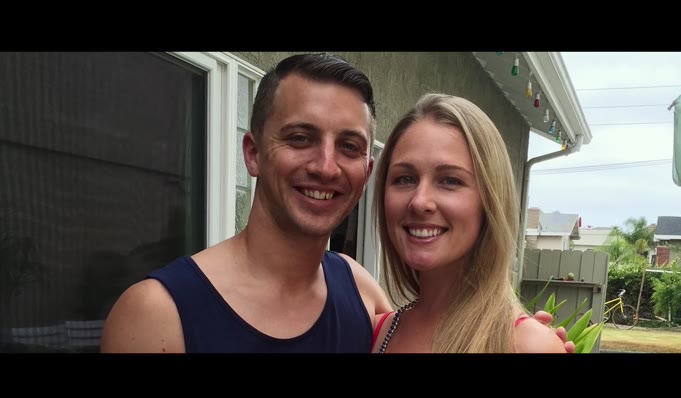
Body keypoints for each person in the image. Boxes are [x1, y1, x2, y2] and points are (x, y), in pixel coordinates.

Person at [101, 53, 569, 353]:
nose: (326, 167)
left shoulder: (359, 294)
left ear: (366, 172)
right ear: (253, 153)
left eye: (348, 146)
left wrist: (525, 338)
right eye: (300, 138)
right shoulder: (158, 314)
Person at [370, 93, 569, 353]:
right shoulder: (374, 332)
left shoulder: (525, 344)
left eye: (450, 180)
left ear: (490, 201)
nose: (419, 201)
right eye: (405, 178)